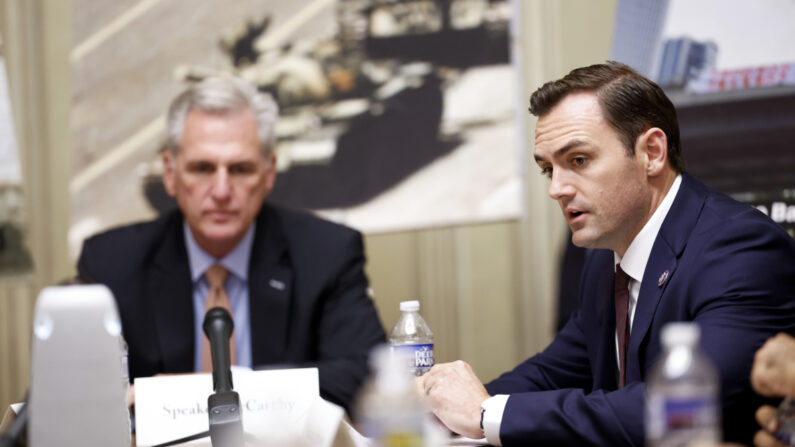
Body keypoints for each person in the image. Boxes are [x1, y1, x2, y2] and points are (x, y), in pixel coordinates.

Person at [416, 61, 795, 446]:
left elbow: (673, 410)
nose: (557, 189)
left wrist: (485, 414)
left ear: (652, 152)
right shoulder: (603, 255)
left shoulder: (741, 248)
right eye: (549, 169)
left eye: (578, 160)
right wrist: (444, 412)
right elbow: (554, 372)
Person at [77, 76, 385, 412]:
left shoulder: (327, 252)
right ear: (169, 173)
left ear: (269, 174)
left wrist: (213, 388)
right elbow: (76, 391)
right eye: (202, 168)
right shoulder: (111, 264)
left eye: (240, 169)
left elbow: (366, 376)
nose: (222, 191)